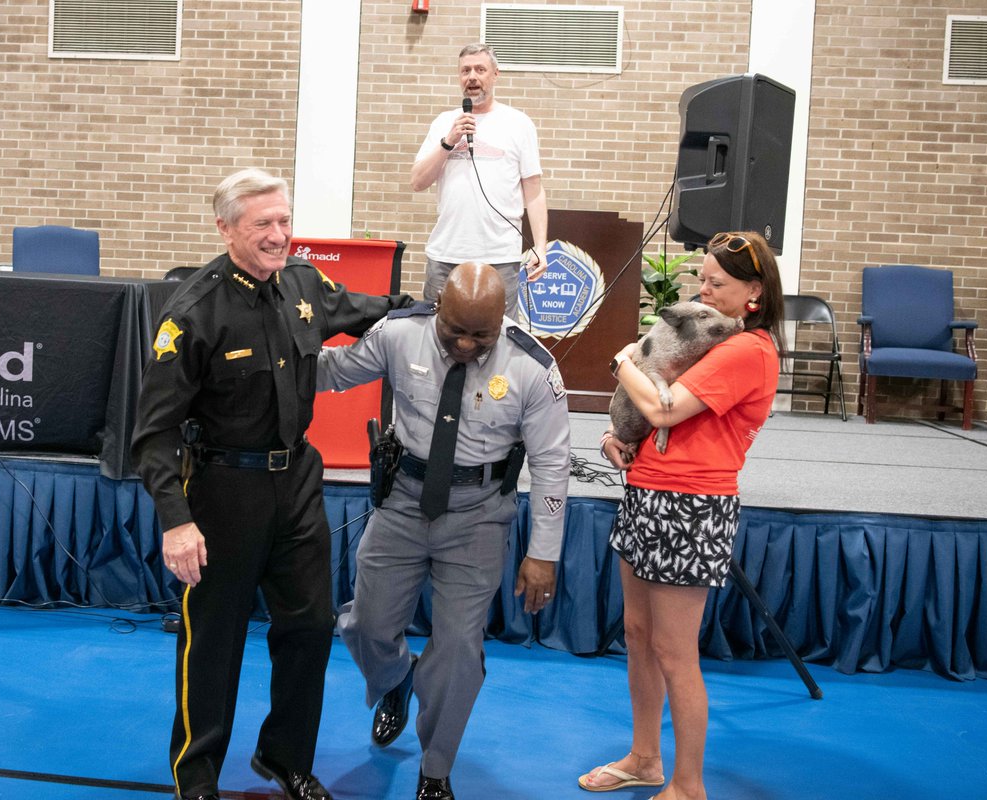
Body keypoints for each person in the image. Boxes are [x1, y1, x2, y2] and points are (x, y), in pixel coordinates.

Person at [131, 168, 413, 800]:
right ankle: (196, 774)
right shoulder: (194, 312)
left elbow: (370, 311)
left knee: (310, 627)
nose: (280, 235)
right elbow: (153, 433)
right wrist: (177, 519)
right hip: (222, 492)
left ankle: (284, 758)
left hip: (297, 486)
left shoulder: (303, 284)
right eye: (264, 224)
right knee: (214, 639)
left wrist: (436, 311)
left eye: (285, 221)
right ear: (226, 228)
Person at [317, 262, 571, 800]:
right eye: (453, 328)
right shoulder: (400, 333)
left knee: (457, 647)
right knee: (363, 625)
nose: (463, 342)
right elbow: (334, 370)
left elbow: (552, 463)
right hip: (403, 503)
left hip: (478, 514)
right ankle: (395, 680)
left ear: (503, 319)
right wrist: (269, 353)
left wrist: (543, 550)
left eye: (480, 334)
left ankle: (435, 767)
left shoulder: (532, 369)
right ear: (437, 306)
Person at [578, 231, 785, 799]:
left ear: (754, 293)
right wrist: (619, 438)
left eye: (718, 283)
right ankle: (646, 759)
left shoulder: (748, 350)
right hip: (648, 491)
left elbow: (665, 409)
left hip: (691, 508)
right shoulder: (714, 344)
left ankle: (688, 786)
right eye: (703, 279)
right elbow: (657, 416)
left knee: (674, 651)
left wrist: (621, 363)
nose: (704, 291)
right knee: (639, 635)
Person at [410, 43, 548, 319]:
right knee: (434, 331)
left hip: (500, 256)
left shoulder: (518, 123)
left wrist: (541, 247)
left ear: (495, 75)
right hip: (446, 253)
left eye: (480, 69)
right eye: (465, 71)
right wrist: (448, 142)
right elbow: (418, 181)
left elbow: (533, 189)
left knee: (501, 336)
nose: (472, 76)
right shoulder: (443, 123)